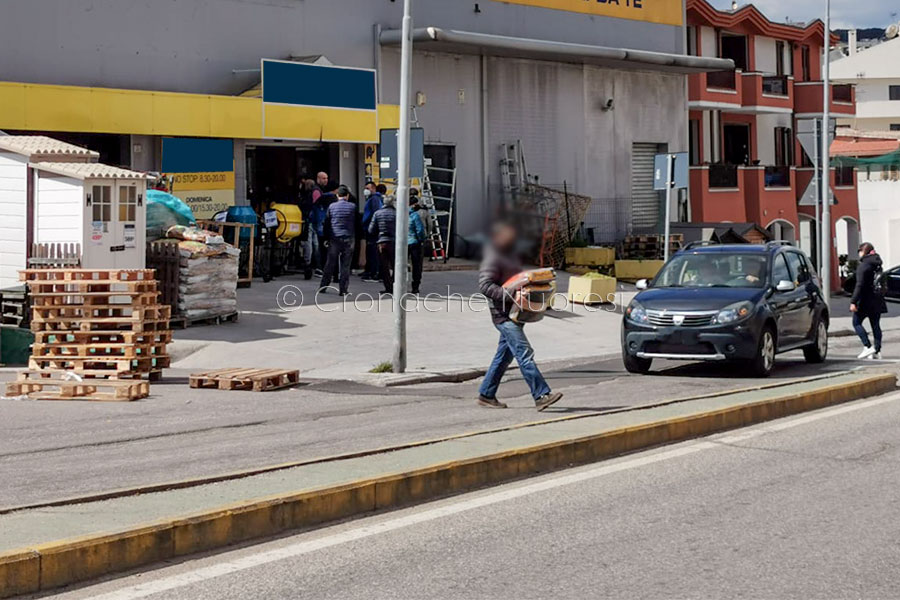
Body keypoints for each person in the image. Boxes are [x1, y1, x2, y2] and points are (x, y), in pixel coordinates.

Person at [477, 222, 563, 411]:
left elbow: (516, 281)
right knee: (524, 353)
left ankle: (486, 394)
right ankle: (541, 395)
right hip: (504, 316)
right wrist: (510, 295)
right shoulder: (492, 258)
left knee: (503, 357)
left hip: (516, 313)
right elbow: (485, 286)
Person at [850, 242, 888, 359]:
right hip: (877, 299)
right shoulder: (877, 264)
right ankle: (877, 350)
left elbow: (860, 285)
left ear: (863, 252)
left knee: (856, 322)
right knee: (875, 324)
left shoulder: (864, 266)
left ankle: (867, 346)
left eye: (860, 252)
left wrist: (853, 301)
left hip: (865, 300)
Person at [318, 185, 356, 296]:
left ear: (337, 195)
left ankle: (323, 287)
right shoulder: (353, 207)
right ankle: (343, 290)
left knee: (330, 263)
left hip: (334, 238)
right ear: (347, 196)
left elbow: (327, 223)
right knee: (345, 265)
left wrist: (326, 237)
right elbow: (356, 223)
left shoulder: (332, 207)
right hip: (348, 238)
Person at [369, 196, 397, 294]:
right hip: (395, 242)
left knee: (384, 266)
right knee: (395, 265)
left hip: (382, 242)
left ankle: (388, 287)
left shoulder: (377, 213)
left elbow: (371, 229)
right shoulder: (397, 213)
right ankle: (396, 285)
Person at [361, 181, 384, 282]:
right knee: (370, 250)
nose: (366, 190)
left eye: (368, 188)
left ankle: (373, 272)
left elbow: (375, 214)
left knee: (372, 251)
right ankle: (369, 270)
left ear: (373, 189)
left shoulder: (374, 199)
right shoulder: (372, 199)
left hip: (372, 228)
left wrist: (371, 227)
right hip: (369, 227)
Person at [407, 199, 427, 294]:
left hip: (403, 243)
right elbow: (420, 230)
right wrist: (422, 239)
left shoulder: (401, 215)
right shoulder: (415, 215)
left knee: (400, 265)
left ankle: (398, 284)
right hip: (415, 242)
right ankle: (415, 287)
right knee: (416, 266)